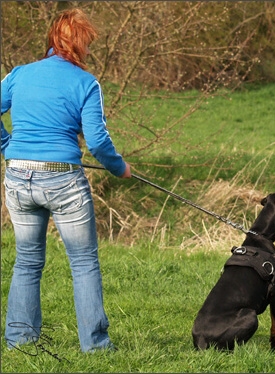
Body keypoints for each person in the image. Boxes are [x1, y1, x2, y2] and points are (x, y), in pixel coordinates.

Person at [1, 8, 131, 353]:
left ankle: (19, 341)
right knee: (84, 262)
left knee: (27, 260)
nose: (87, 50)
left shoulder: (19, 74)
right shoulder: (86, 83)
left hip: (18, 176)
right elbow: (99, 142)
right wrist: (119, 168)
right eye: (86, 43)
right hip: (62, 182)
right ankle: (96, 346)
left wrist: (8, 146)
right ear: (76, 45)